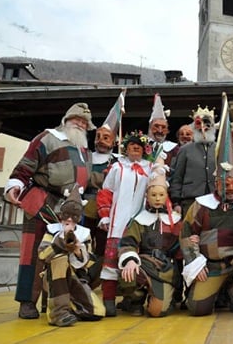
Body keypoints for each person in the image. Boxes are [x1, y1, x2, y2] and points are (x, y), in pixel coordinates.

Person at [4, 102, 95, 319]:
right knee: (33, 254)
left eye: (84, 122)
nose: (80, 124)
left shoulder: (84, 149)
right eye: (77, 120)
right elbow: (25, 167)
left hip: (70, 209)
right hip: (42, 203)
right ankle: (27, 301)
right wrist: (15, 184)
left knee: (67, 255)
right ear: (66, 120)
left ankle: (61, 303)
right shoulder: (46, 138)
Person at [179, 152, 233, 316]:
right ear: (216, 183)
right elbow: (187, 234)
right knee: (198, 309)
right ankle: (217, 290)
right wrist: (195, 262)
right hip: (212, 265)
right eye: (225, 184)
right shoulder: (201, 205)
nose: (231, 188)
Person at [96, 130, 154, 316]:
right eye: (131, 146)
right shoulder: (117, 167)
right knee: (112, 263)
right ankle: (109, 300)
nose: (135, 148)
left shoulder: (150, 167)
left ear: (144, 149)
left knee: (138, 261)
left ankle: (133, 300)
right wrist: (105, 215)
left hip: (141, 223)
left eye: (138, 146)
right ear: (126, 149)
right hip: (118, 221)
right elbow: (106, 192)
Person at [117, 159, 182, 317]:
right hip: (144, 263)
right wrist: (130, 260)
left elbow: (181, 252)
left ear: (167, 196)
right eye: (153, 195)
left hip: (166, 268)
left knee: (157, 312)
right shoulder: (139, 220)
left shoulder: (176, 221)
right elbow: (127, 243)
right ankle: (134, 301)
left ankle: (169, 295)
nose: (157, 198)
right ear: (147, 196)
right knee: (128, 270)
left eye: (161, 195)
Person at [38, 184, 105, 326]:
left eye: (74, 216)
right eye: (66, 215)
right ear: (61, 215)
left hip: (75, 277)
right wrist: (60, 242)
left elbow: (88, 262)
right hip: (53, 278)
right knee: (60, 259)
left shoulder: (84, 234)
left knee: (97, 311)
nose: (69, 220)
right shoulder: (51, 231)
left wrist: (78, 251)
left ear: (79, 218)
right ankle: (58, 314)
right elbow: (42, 255)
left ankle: (67, 305)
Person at [84, 93, 123, 279]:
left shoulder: (117, 162)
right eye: (98, 136)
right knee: (81, 242)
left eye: (106, 137)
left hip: (107, 209)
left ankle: (92, 278)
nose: (101, 140)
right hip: (85, 205)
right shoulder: (85, 158)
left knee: (102, 245)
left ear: (114, 141)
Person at [170, 105, 217, 217]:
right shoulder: (185, 149)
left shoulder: (219, 148)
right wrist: (176, 202)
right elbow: (177, 177)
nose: (203, 127)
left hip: (214, 199)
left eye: (207, 124)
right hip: (191, 199)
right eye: (199, 124)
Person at [148, 93, 180, 168]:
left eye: (163, 127)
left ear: (168, 130)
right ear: (150, 128)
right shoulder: (141, 144)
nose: (160, 130)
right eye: (156, 126)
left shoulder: (174, 148)